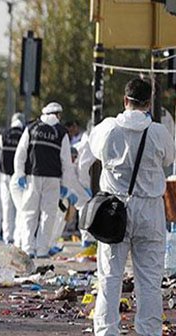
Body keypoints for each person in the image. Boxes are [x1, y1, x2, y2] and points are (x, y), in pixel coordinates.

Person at [90, 78, 175, 336]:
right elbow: (169, 158)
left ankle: (107, 332)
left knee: (109, 278)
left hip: (115, 211)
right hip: (150, 211)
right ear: (148, 103)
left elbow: (94, 151)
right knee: (149, 281)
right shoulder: (159, 132)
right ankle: (149, 332)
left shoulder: (108, 129)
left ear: (125, 101)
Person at [13, 102, 86, 258]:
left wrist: (20, 174)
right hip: (52, 179)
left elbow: (20, 153)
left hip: (33, 176)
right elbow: (66, 161)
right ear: (58, 115)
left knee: (29, 213)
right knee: (48, 215)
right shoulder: (61, 132)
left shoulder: (31, 127)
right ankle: (42, 250)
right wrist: (65, 185)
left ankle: (27, 248)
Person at [0, 112, 25, 244]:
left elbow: (1, 147)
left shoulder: (4, 134)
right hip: (18, 175)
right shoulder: (24, 134)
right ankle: (17, 236)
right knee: (20, 207)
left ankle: (7, 235)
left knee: (6, 205)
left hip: (4, 174)